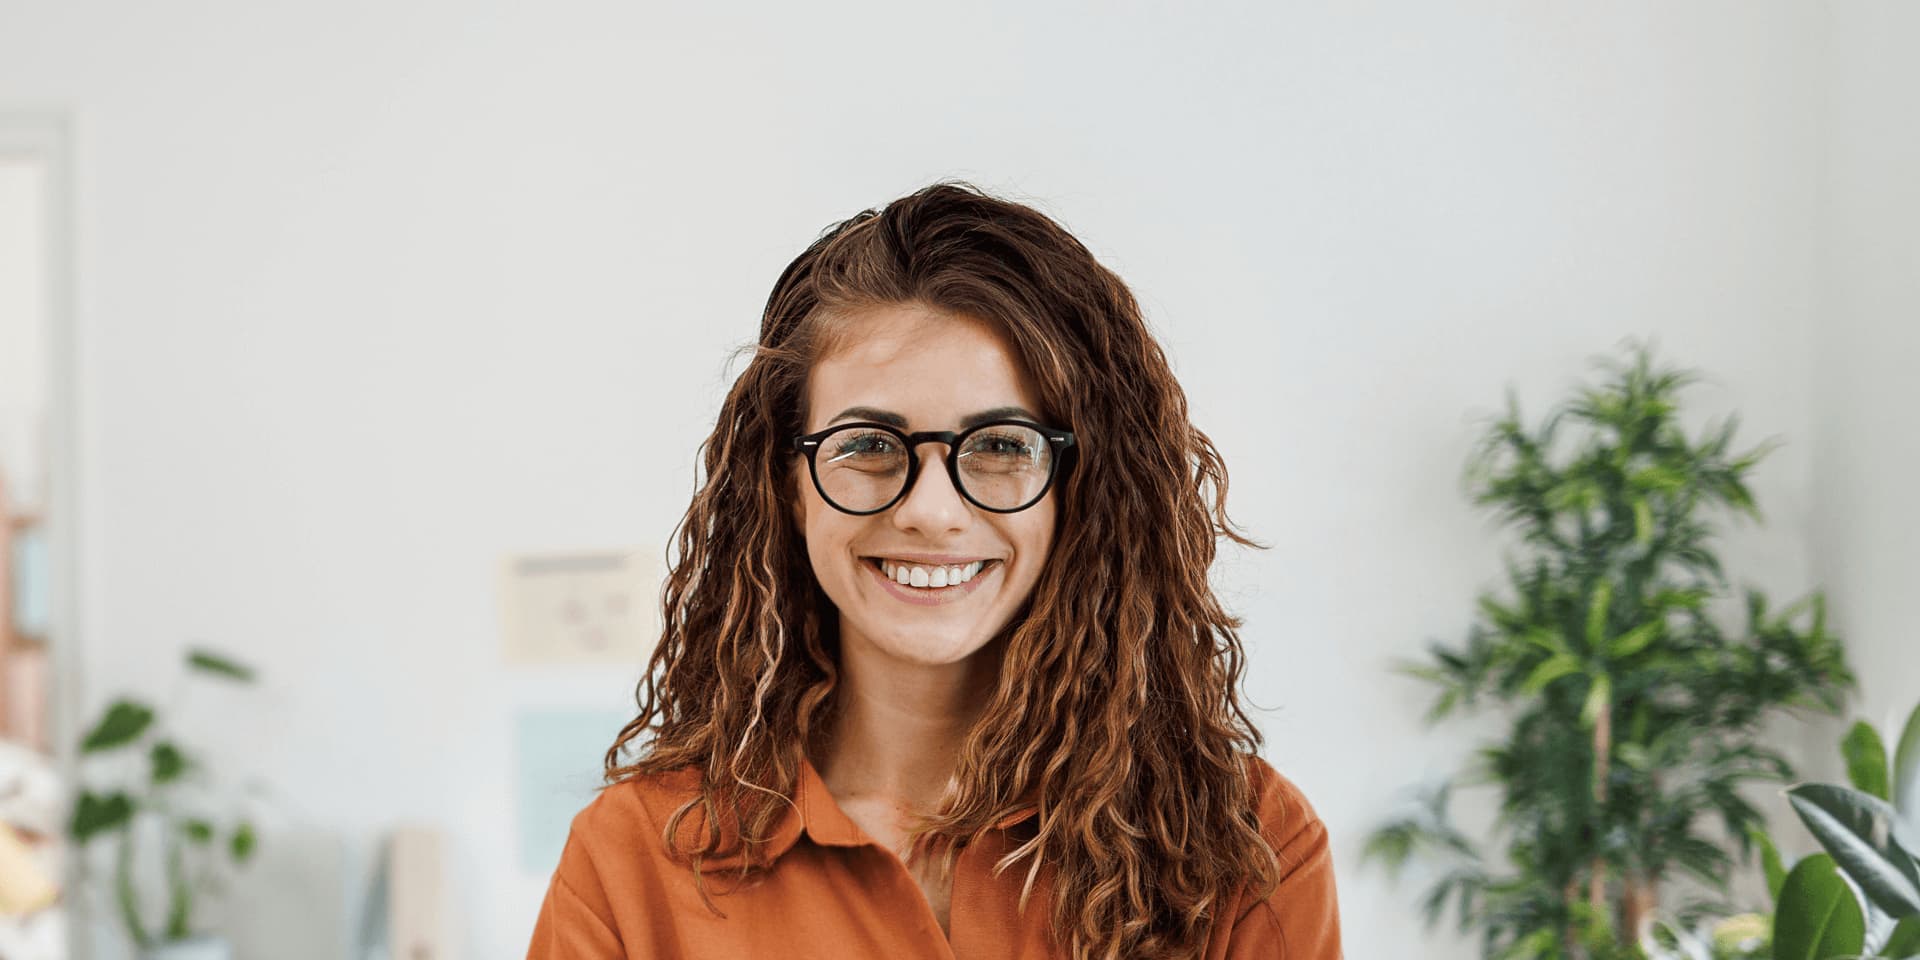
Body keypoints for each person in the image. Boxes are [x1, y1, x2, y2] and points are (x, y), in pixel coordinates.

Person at [527, 181, 1341, 959]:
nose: (931, 510)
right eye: (869, 446)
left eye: (999, 447)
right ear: (789, 484)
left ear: (1079, 487)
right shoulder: (630, 858)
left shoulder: (1250, 845)